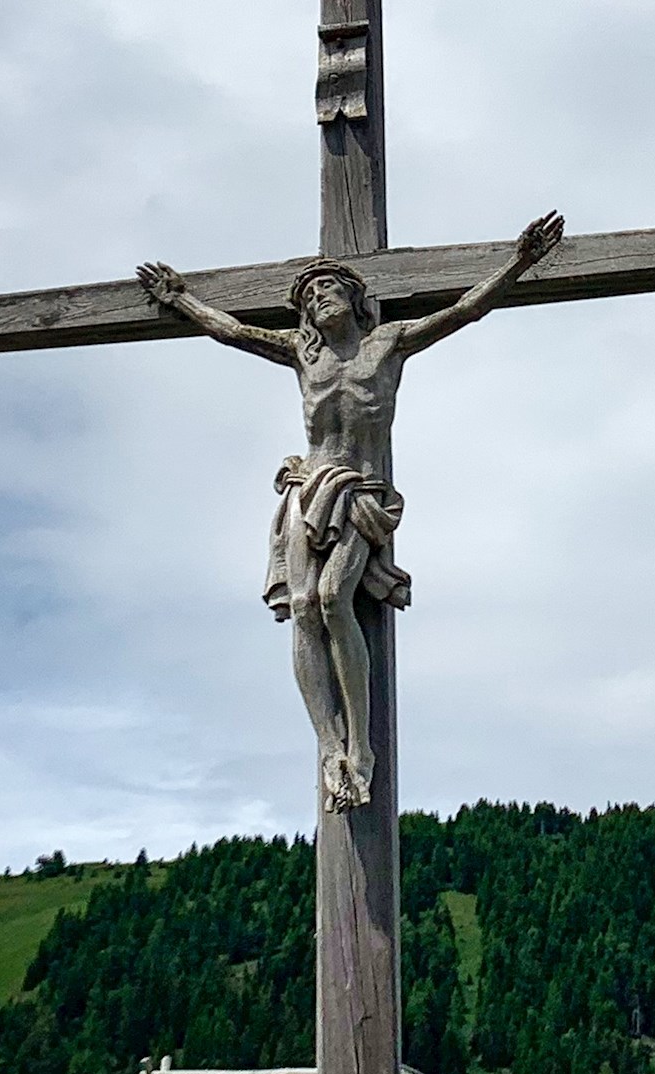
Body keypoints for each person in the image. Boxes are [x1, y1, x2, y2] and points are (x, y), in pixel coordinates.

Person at [137, 209, 564, 811]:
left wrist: (519, 262)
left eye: (328, 288)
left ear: (354, 297)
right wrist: (180, 298)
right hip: (308, 486)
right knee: (304, 606)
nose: (319, 299)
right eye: (309, 297)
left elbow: (465, 309)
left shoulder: (387, 343)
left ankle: (360, 746)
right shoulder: (300, 352)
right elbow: (231, 331)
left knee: (335, 597)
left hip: (360, 491)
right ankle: (329, 744)